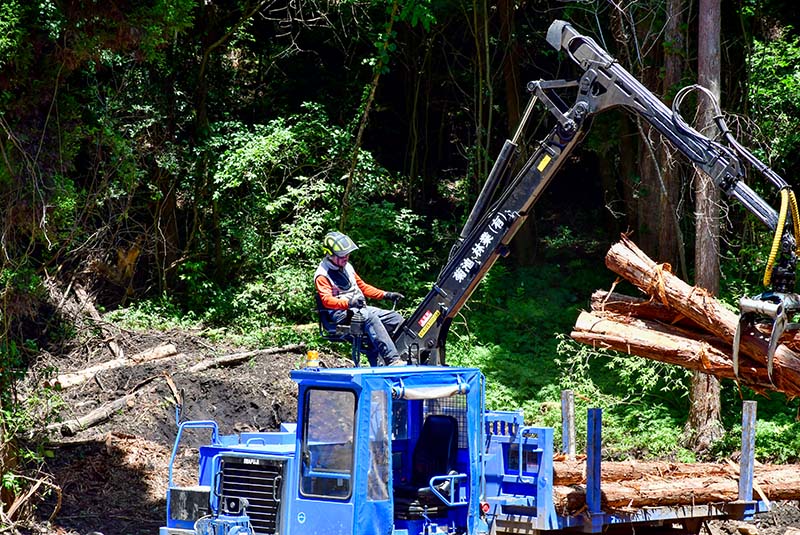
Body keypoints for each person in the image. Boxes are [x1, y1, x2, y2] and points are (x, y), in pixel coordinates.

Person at [314, 231, 406, 366]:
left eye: (347, 254)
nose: (346, 257)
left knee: (395, 319)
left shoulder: (347, 267)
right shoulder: (322, 275)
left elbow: (363, 287)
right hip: (341, 314)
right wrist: (348, 303)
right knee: (368, 317)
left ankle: (401, 355)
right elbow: (327, 301)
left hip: (359, 308)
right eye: (342, 255)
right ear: (330, 255)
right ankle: (392, 360)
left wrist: (386, 294)